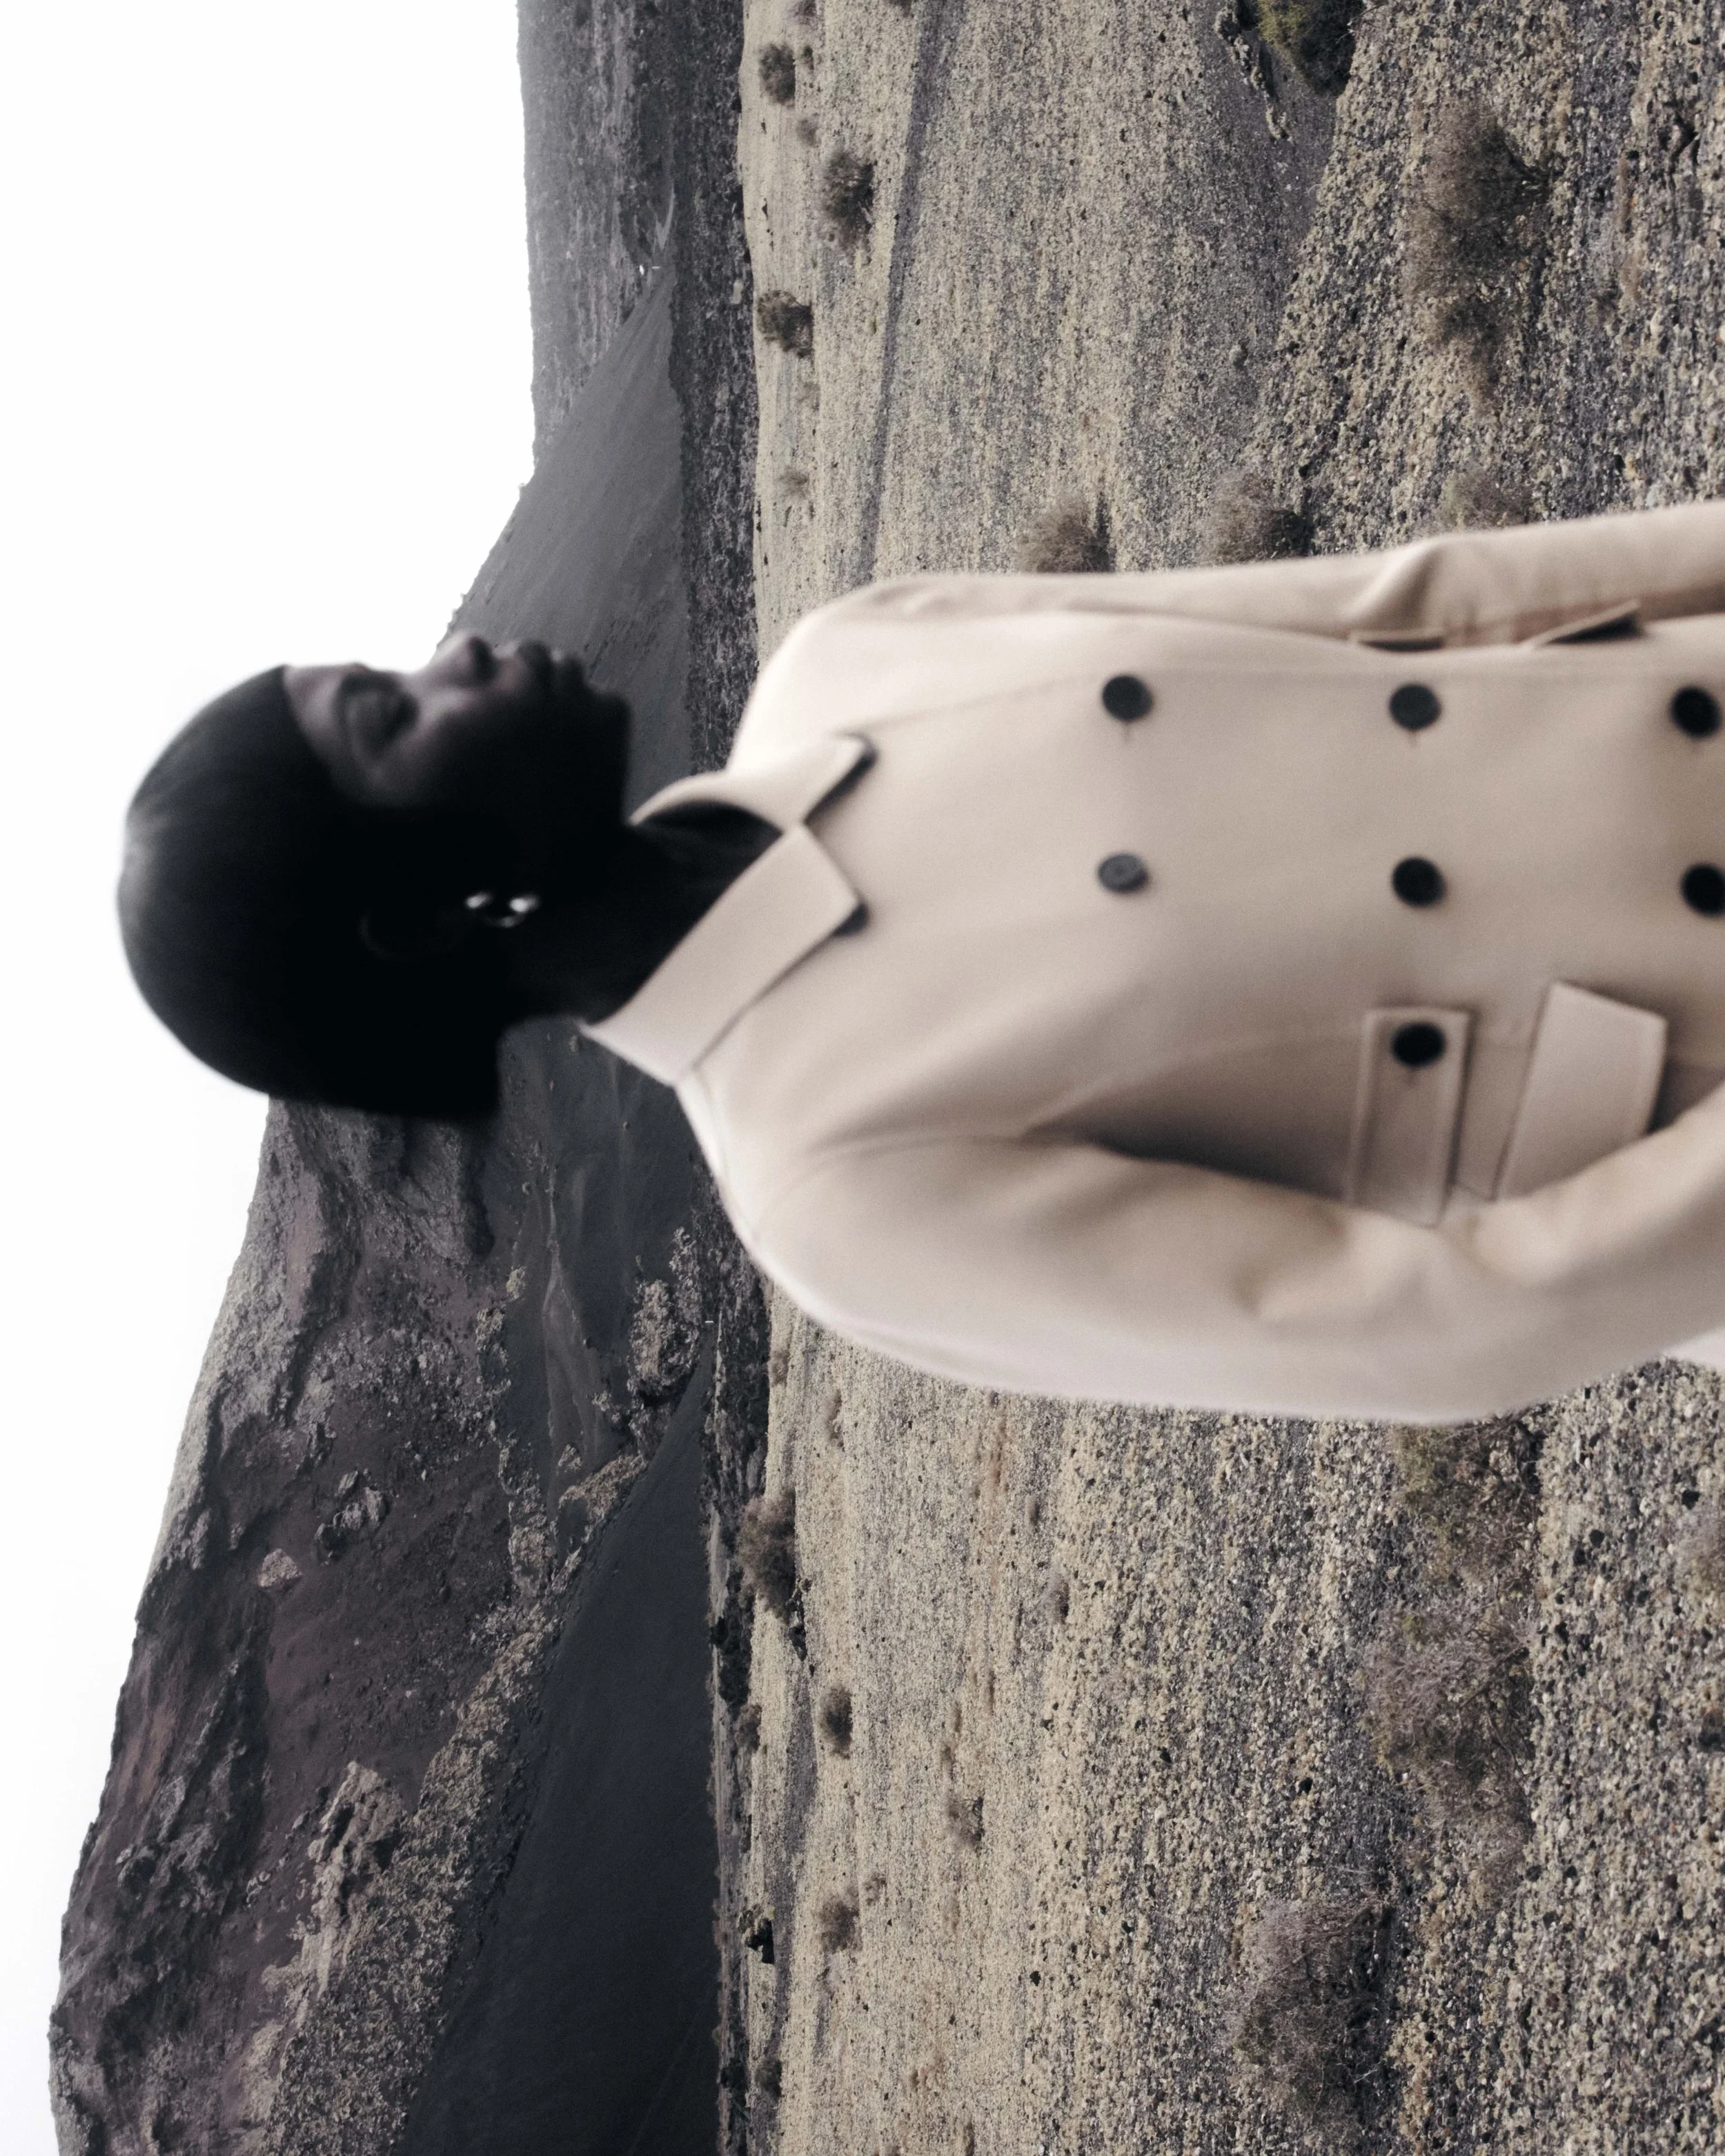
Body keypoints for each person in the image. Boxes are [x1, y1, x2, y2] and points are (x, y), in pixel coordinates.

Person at [121, 499, 1725, 1422]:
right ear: (413, 918)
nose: (458, 650)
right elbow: (1428, 1323)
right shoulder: (832, 1181)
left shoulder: (849, 654)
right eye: (391, 716)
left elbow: (1411, 609)